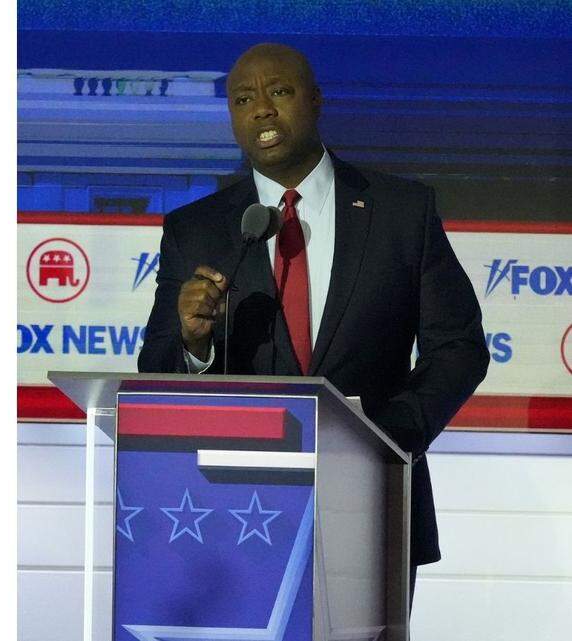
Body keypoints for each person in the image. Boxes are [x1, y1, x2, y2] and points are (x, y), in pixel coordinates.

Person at [138, 43, 489, 597]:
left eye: (279, 92)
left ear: (316, 99)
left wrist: (391, 439)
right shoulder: (195, 229)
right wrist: (193, 343)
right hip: (235, 509)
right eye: (242, 99)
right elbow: (156, 366)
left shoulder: (401, 211)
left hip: (371, 503)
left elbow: (459, 347)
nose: (261, 110)